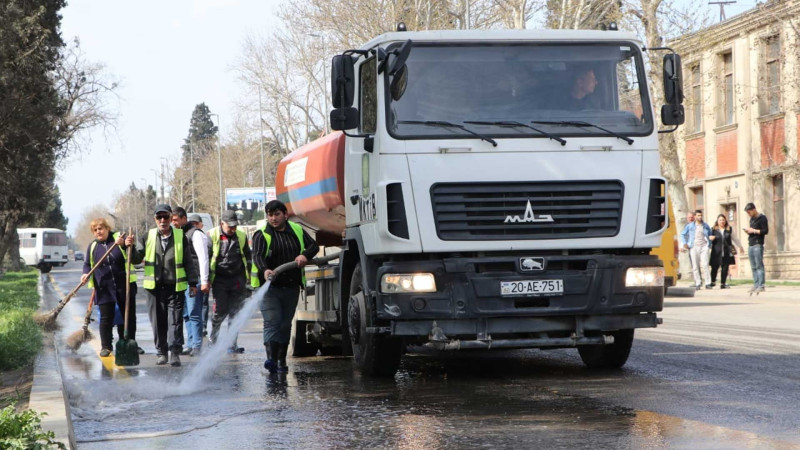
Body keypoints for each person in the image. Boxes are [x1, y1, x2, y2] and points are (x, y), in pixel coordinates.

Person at [252, 200, 319, 373]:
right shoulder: (262, 234)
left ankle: (281, 360)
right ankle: (271, 359)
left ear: (285, 215)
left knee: (284, 324)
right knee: (272, 322)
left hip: (291, 286)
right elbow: (258, 256)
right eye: (270, 215)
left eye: (276, 214)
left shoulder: (296, 230)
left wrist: (304, 255)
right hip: (269, 288)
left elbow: (314, 246)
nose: (273, 218)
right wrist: (265, 269)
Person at [135, 204, 198, 367]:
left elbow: (188, 261)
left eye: (165, 217)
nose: (162, 221)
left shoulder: (179, 236)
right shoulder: (147, 236)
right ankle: (161, 352)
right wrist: (126, 246)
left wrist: (193, 283)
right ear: (155, 219)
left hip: (174, 287)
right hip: (153, 288)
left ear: (171, 218)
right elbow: (135, 259)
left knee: (175, 321)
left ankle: (174, 352)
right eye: (159, 217)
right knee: (158, 322)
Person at [81, 218, 141, 357]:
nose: (98, 232)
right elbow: (87, 264)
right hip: (104, 288)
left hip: (124, 285)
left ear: (107, 228)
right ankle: (106, 346)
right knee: (106, 318)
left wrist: (126, 245)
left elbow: (134, 256)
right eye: (95, 230)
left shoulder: (119, 238)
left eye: (101, 228)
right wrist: (85, 274)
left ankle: (128, 343)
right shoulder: (93, 247)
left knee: (128, 317)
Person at [208, 210, 252, 354]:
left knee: (235, 313)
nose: (233, 229)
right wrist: (206, 280)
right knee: (219, 311)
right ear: (222, 224)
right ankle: (213, 341)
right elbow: (205, 260)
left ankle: (232, 343)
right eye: (230, 227)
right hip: (219, 280)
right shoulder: (212, 235)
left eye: (235, 226)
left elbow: (248, 258)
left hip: (237, 279)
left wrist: (249, 281)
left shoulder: (241, 236)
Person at [172, 208, 210, 357]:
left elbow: (203, 258)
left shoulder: (196, 234)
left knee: (195, 313)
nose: (173, 223)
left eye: (175, 220)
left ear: (183, 219)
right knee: (186, 313)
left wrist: (205, 280)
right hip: (183, 280)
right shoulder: (178, 233)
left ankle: (197, 345)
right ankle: (190, 343)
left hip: (196, 279)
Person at [709, 214, 743, 289]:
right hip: (716, 252)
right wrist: (710, 238)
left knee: (725, 268)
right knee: (714, 267)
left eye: (723, 220)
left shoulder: (729, 229)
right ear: (717, 221)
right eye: (720, 220)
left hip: (726, 251)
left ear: (725, 221)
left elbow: (735, 238)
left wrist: (740, 246)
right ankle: (713, 282)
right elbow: (708, 238)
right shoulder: (713, 230)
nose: (722, 221)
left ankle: (723, 283)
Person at [680, 210, 712, 290]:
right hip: (694, 246)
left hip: (704, 246)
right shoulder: (690, 226)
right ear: (695, 216)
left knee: (705, 265)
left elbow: (710, 234)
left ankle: (708, 283)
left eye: (701, 215)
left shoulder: (705, 225)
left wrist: (710, 242)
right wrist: (685, 243)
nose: (700, 217)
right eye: (698, 215)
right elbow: (683, 234)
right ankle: (698, 282)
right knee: (695, 266)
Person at [743, 203, 769, 294]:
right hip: (751, 243)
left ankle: (761, 285)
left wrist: (753, 230)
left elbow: (765, 231)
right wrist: (748, 231)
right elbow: (752, 231)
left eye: (749, 212)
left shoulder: (762, 218)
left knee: (759, 265)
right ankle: (756, 284)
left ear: (754, 209)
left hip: (758, 244)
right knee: (753, 266)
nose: (748, 214)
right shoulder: (752, 219)